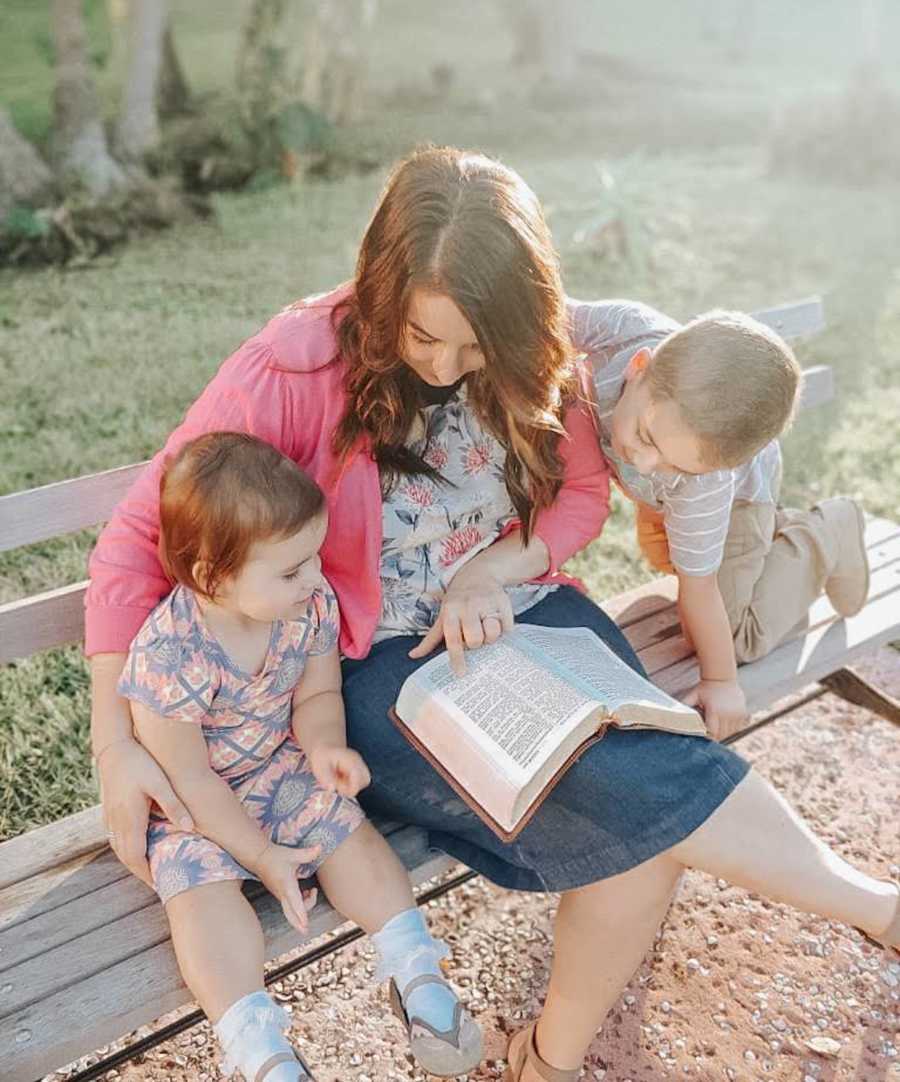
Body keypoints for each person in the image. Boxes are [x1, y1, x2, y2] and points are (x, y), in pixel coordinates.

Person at [87, 146, 898, 1082]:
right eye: (423, 337)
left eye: (475, 345)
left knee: (644, 807)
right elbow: (134, 542)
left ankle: (545, 1062)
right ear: (383, 288)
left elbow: (582, 497)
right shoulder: (296, 363)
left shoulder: (535, 353)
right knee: (650, 803)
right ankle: (872, 908)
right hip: (387, 660)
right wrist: (117, 743)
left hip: (533, 614)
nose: (444, 366)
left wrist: (490, 573)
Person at [113, 432, 482, 1082]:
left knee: (349, 831)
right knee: (200, 901)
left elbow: (317, 693)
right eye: (291, 569)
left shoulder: (306, 608)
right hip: (193, 804)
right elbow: (188, 776)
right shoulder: (170, 655)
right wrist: (260, 857)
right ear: (210, 577)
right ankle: (259, 1047)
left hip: (279, 768)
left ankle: (415, 969)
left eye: (312, 557)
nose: (314, 577)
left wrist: (323, 748)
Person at [573, 299, 871, 739]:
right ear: (639, 367)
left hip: (739, 507)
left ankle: (827, 530)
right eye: (644, 435)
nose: (647, 461)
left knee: (733, 640)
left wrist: (720, 681)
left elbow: (700, 585)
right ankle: (775, 538)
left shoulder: (704, 484)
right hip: (677, 502)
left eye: (674, 465)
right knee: (668, 556)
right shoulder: (622, 329)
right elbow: (538, 315)